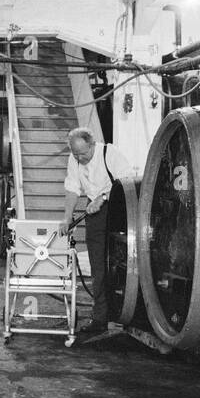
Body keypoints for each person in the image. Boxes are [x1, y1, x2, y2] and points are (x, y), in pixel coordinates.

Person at [59, 127, 128, 334]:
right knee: (98, 266)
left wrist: (103, 198)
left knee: (120, 264)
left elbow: (127, 183)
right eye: (76, 154)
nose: (81, 158)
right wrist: (67, 217)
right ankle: (100, 318)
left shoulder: (110, 153)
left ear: (92, 144)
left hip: (118, 208)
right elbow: (72, 188)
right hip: (94, 211)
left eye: (84, 153)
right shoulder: (75, 160)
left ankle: (123, 313)